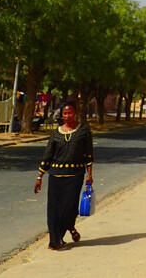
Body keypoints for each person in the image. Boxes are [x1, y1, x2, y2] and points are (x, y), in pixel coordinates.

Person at [33, 100, 93, 250]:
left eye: (70, 112)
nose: (67, 116)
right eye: (65, 113)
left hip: (75, 174)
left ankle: (69, 227)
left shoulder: (83, 131)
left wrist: (89, 175)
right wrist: (39, 177)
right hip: (56, 176)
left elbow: (88, 155)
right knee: (54, 209)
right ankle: (55, 240)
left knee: (70, 207)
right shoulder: (56, 133)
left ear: (75, 113)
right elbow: (48, 156)